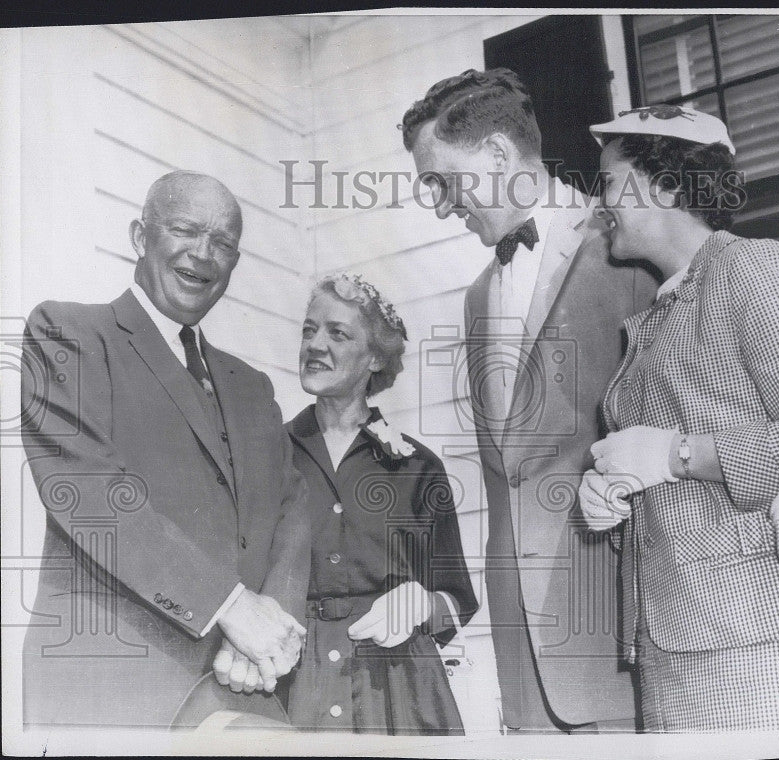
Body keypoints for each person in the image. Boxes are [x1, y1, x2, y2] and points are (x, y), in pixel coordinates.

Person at [578, 105, 779, 731]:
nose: (600, 204)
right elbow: (676, 491)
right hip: (674, 649)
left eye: (609, 181)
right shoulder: (654, 318)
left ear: (665, 184)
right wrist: (615, 496)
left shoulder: (749, 267)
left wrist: (674, 455)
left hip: (767, 644)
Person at [401, 68, 657, 733]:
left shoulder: (626, 244)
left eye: (442, 181)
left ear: (495, 155)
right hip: (526, 665)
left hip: (621, 638)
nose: (439, 204)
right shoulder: (477, 296)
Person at [19, 171, 310, 727]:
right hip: (108, 685)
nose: (203, 254)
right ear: (139, 236)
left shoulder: (252, 387)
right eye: (184, 229)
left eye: (223, 243)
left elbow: (292, 515)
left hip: (240, 686)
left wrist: (271, 631)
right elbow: (86, 489)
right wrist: (231, 607)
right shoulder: (68, 333)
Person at [285, 274, 478, 733]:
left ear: (373, 358)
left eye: (337, 333)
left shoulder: (417, 467)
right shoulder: (270, 455)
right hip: (294, 682)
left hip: (395, 688)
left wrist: (419, 605)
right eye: (309, 330)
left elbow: (458, 600)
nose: (315, 344)